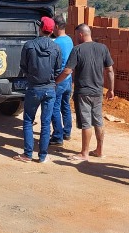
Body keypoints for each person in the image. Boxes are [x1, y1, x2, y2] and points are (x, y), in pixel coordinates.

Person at [55, 24, 114, 161]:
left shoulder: (77, 50)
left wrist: (56, 82)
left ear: (81, 34)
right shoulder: (103, 48)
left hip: (83, 92)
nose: (75, 38)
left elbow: (67, 71)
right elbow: (110, 70)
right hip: (98, 91)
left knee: (86, 122)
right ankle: (99, 150)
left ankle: (84, 153)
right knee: (98, 121)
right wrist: (111, 89)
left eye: (76, 35)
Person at [14, 16, 62, 163]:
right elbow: (58, 69)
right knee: (45, 123)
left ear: (40, 28)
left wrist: (30, 75)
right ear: (52, 30)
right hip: (49, 89)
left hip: (33, 88)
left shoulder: (29, 45)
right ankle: (42, 156)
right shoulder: (56, 48)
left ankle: (28, 154)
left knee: (28, 120)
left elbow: (23, 66)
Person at [49, 14, 74, 147]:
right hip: (69, 78)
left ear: (57, 26)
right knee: (65, 106)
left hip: (59, 79)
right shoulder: (69, 40)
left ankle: (57, 136)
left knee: (54, 107)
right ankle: (67, 132)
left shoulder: (56, 43)